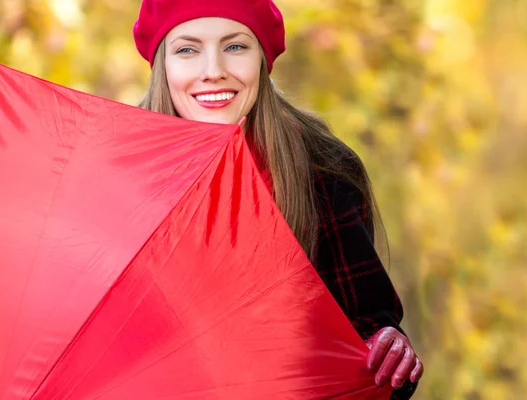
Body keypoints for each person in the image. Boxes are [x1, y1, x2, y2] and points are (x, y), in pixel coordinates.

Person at [132, 0, 424, 398]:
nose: (213, 70)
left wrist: (389, 350)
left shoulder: (321, 169)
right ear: (162, 64)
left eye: (235, 46)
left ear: (263, 59)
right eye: (188, 49)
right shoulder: (125, 172)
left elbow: (368, 331)